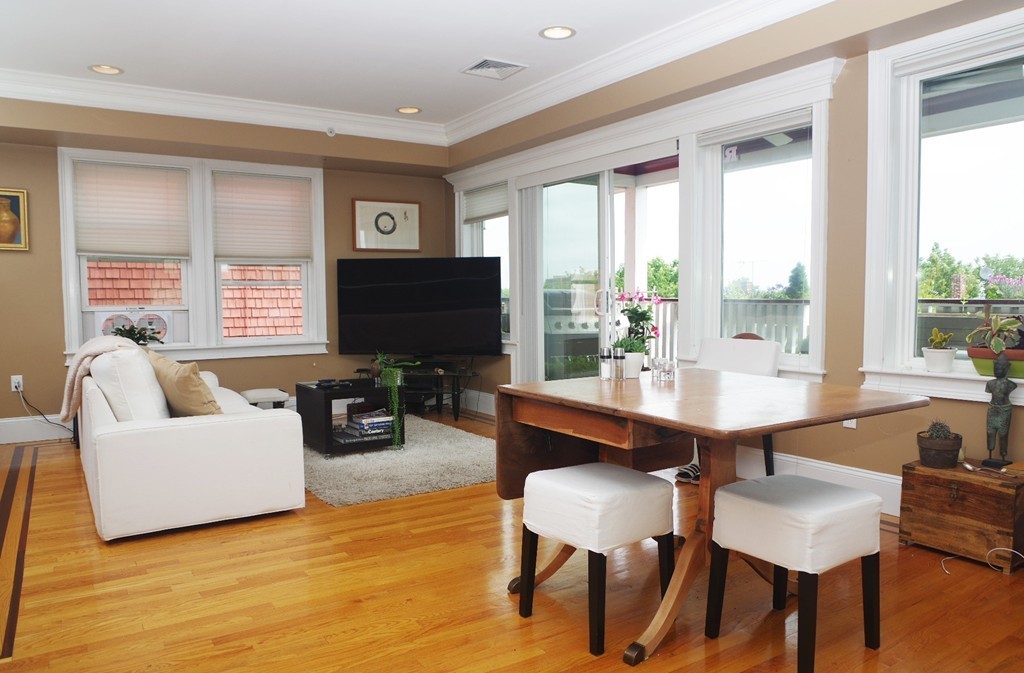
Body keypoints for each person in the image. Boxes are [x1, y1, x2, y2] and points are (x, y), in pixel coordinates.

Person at [986, 352, 1016, 464]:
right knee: (990, 432)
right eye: (996, 367)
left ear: (1007, 368)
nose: (998, 370)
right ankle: (990, 451)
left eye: (1001, 367)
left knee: (1003, 434)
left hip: (1004, 410)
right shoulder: (990, 383)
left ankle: (1003, 453)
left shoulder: (1010, 385)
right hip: (992, 409)